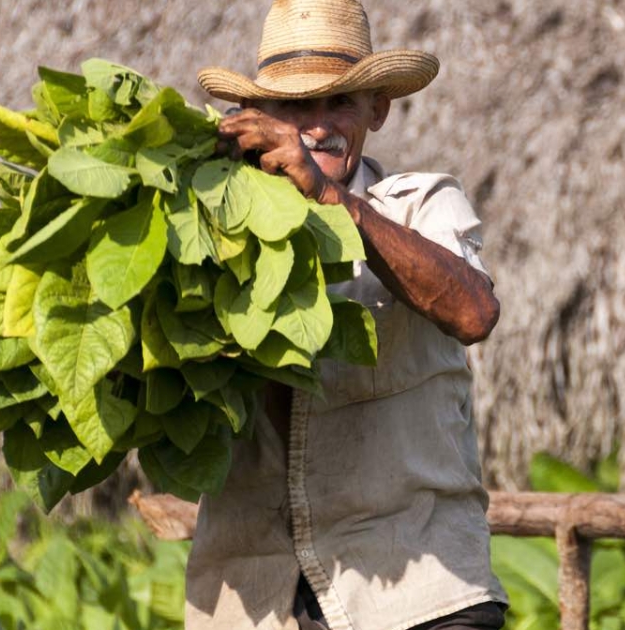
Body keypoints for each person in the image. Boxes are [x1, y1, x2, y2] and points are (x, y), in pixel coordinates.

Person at [184, 1, 506, 628]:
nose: (317, 126)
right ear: (258, 118)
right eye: (294, 108)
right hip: (254, 598)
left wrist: (329, 197)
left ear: (377, 110)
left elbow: (474, 312)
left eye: (340, 104)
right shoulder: (206, 235)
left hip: (420, 590)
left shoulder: (420, 206)